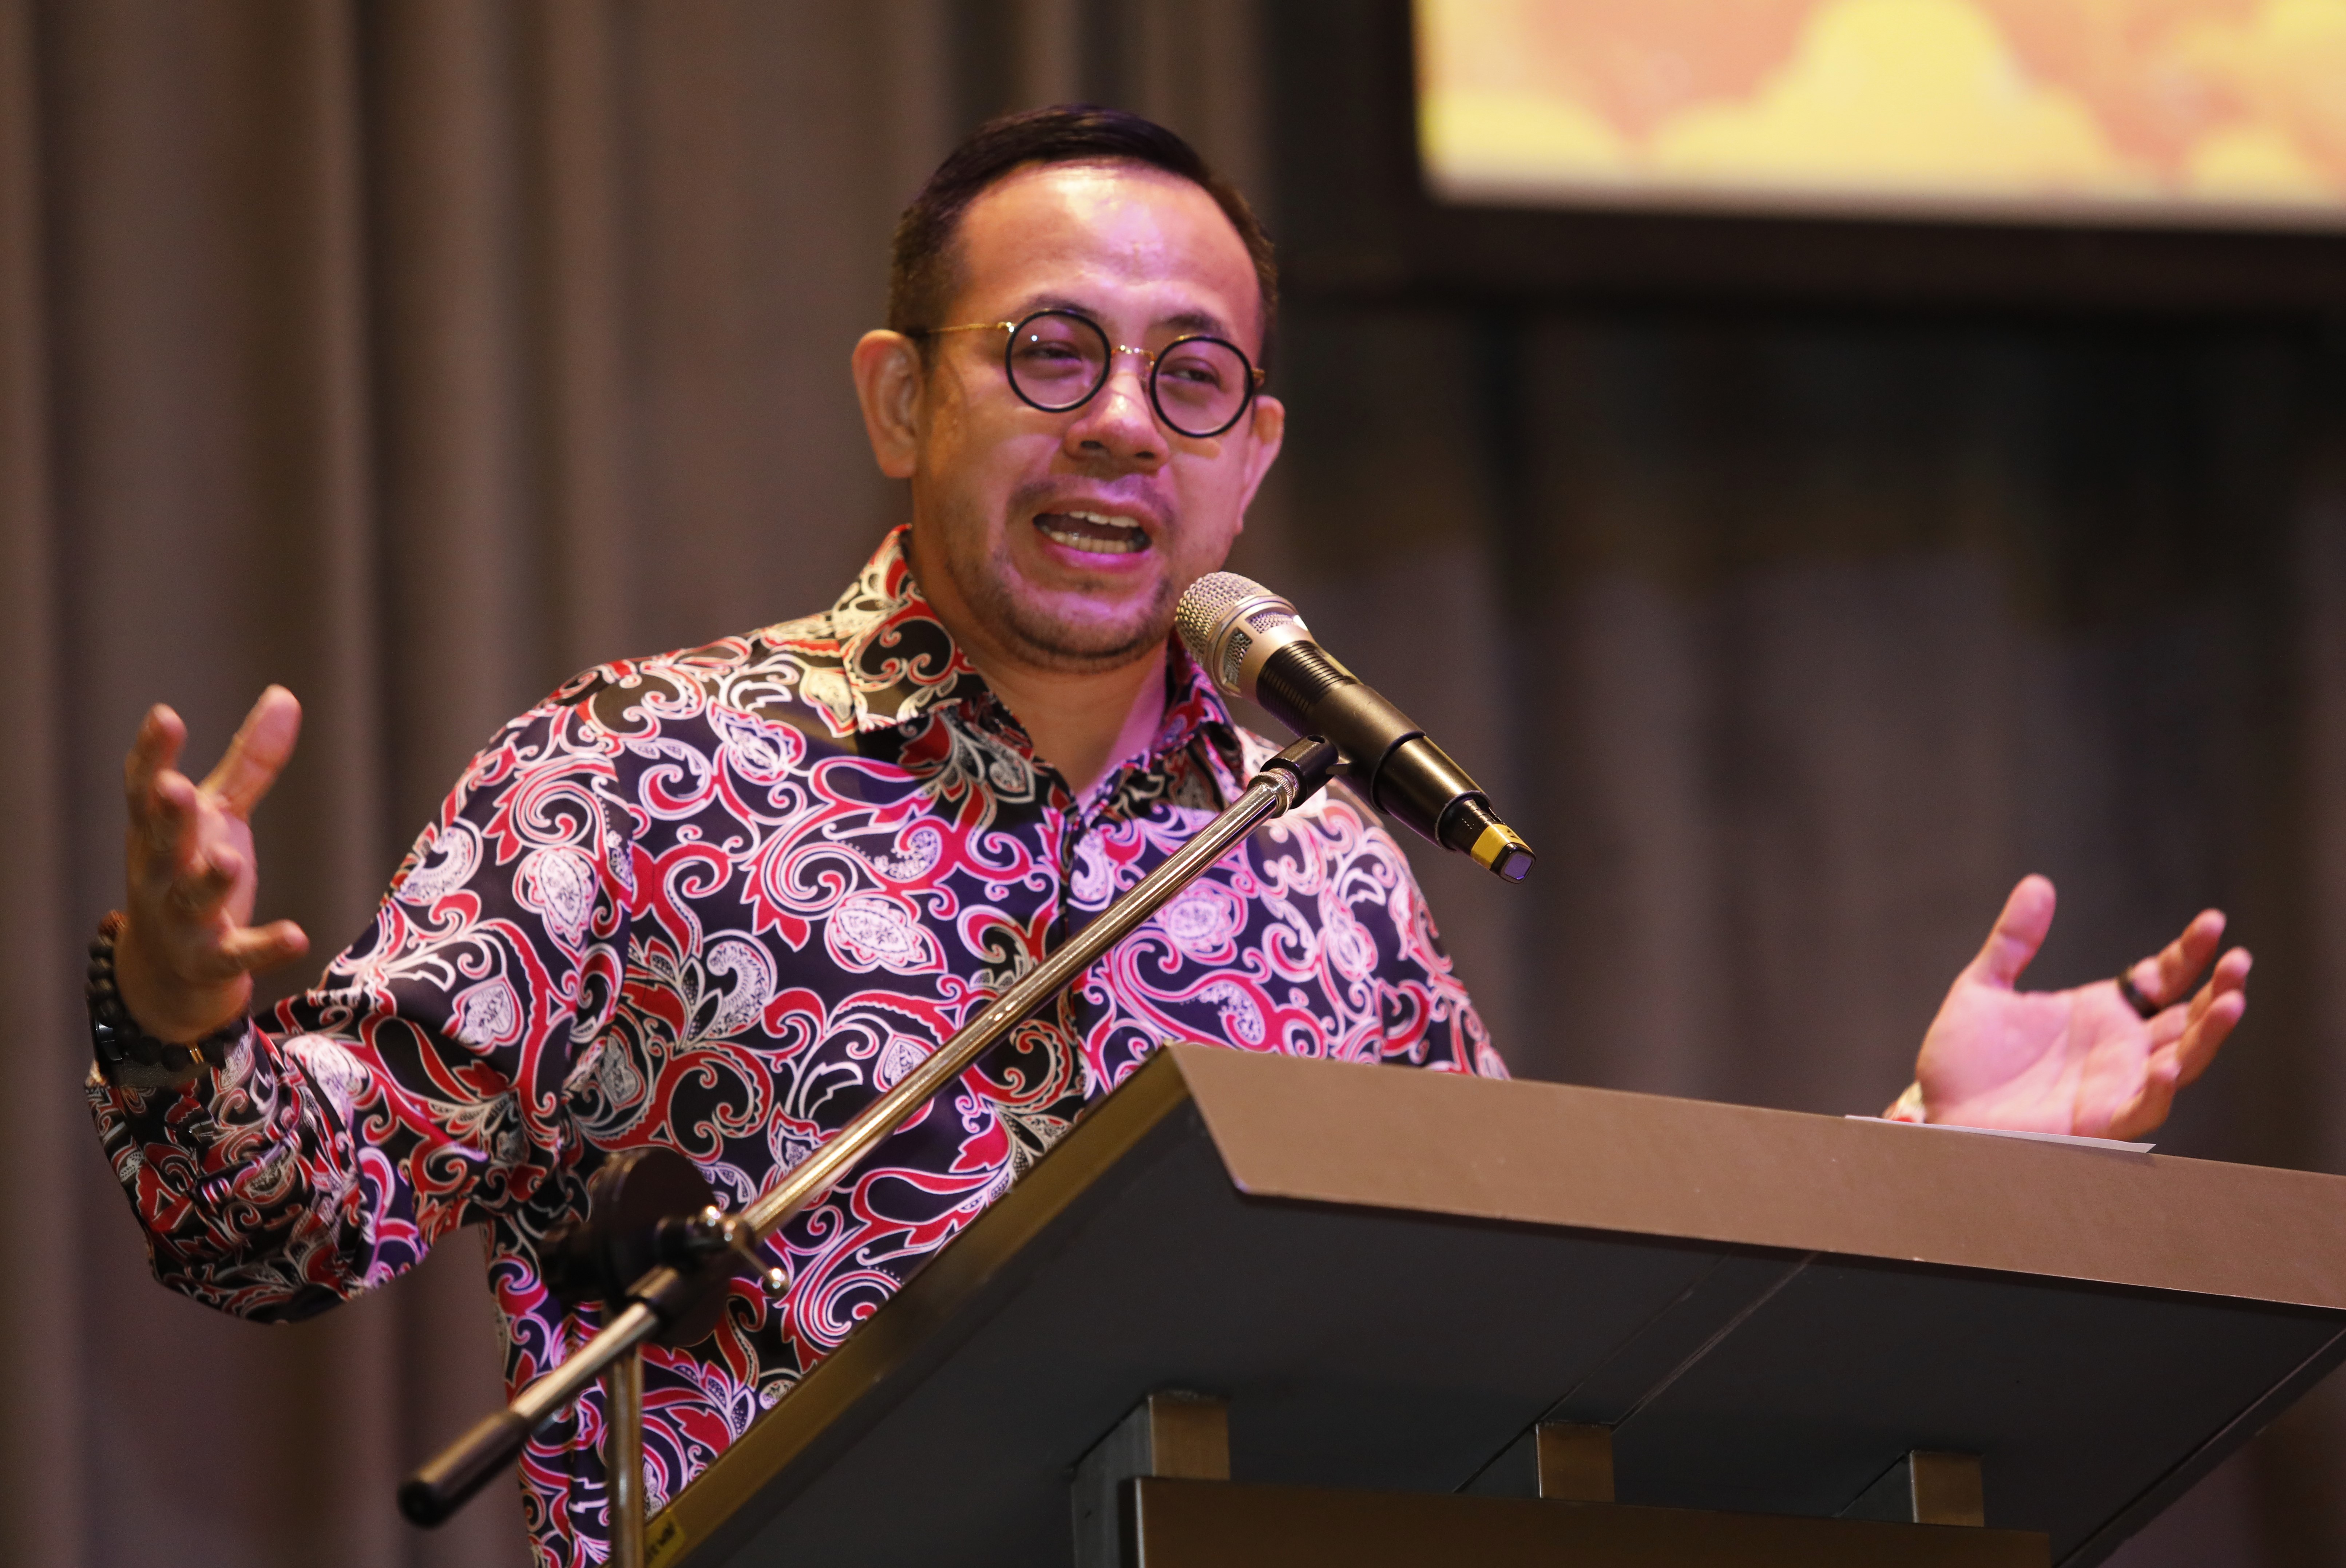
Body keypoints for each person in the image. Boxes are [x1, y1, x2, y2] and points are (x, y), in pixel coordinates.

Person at [86, 107, 2251, 1567]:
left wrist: (1928, 1158)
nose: (1124, 423)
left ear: (1253, 454)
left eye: (1191, 377)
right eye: (1053, 353)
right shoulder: (641, 774)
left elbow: (1530, 1339)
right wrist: (186, 1022)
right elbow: (282, 1226)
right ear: (902, 398)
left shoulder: (1320, 856)